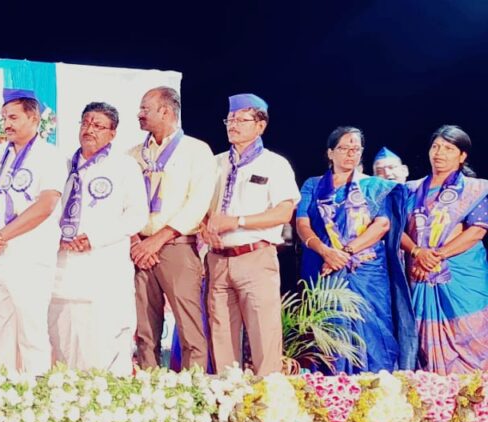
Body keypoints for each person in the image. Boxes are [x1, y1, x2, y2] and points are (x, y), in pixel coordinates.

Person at [296, 126, 416, 373]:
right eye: (344, 148)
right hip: (325, 268)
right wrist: (326, 252)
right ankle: (332, 386)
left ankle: (377, 384)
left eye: (356, 149)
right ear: (330, 153)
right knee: (331, 328)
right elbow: (302, 224)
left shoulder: (373, 186)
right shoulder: (313, 185)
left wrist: (345, 253)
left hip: (368, 270)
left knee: (374, 327)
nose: (351, 154)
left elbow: (382, 225)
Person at [201, 93, 300, 376]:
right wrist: (207, 227)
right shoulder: (215, 163)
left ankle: (267, 394)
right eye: (230, 120)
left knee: (263, 334)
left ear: (260, 125)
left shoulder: (274, 164)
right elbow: (201, 206)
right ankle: (228, 393)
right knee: (221, 334)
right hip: (218, 258)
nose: (233, 125)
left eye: (241, 120)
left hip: (255, 256)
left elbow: (284, 212)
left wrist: (237, 222)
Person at [49, 102, 148, 375]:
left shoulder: (124, 166)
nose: (89, 130)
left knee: (102, 347)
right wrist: (56, 236)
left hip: (103, 268)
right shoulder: (63, 165)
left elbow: (137, 216)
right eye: (86, 123)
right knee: (63, 345)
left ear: (112, 133)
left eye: (98, 126)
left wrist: (94, 238)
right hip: (62, 270)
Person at [0, 89, 66, 375]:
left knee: (31, 332)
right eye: (4, 117)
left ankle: (36, 393)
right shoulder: (1, 157)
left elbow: (46, 205)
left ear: (34, 119)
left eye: (13, 117)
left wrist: (1, 236)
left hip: (29, 257)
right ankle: (2, 392)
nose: (7, 124)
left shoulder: (50, 156)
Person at [128, 86, 216, 370]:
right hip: (139, 250)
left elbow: (198, 203)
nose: (139, 114)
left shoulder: (196, 151)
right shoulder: (133, 155)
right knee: (145, 330)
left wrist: (158, 240)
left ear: (165, 111)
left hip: (177, 246)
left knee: (189, 328)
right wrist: (136, 242)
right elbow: (122, 203)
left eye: (145, 108)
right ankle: (148, 386)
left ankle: (194, 389)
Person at [401, 125, 488, 374]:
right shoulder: (410, 190)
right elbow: (397, 232)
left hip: (462, 275)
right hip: (420, 274)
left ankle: (478, 393)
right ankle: (434, 393)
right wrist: (418, 253)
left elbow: (477, 230)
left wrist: (435, 256)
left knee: (472, 335)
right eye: (436, 147)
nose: (439, 153)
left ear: (462, 156)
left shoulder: (475, 189)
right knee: (425, 342)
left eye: (448, 149)